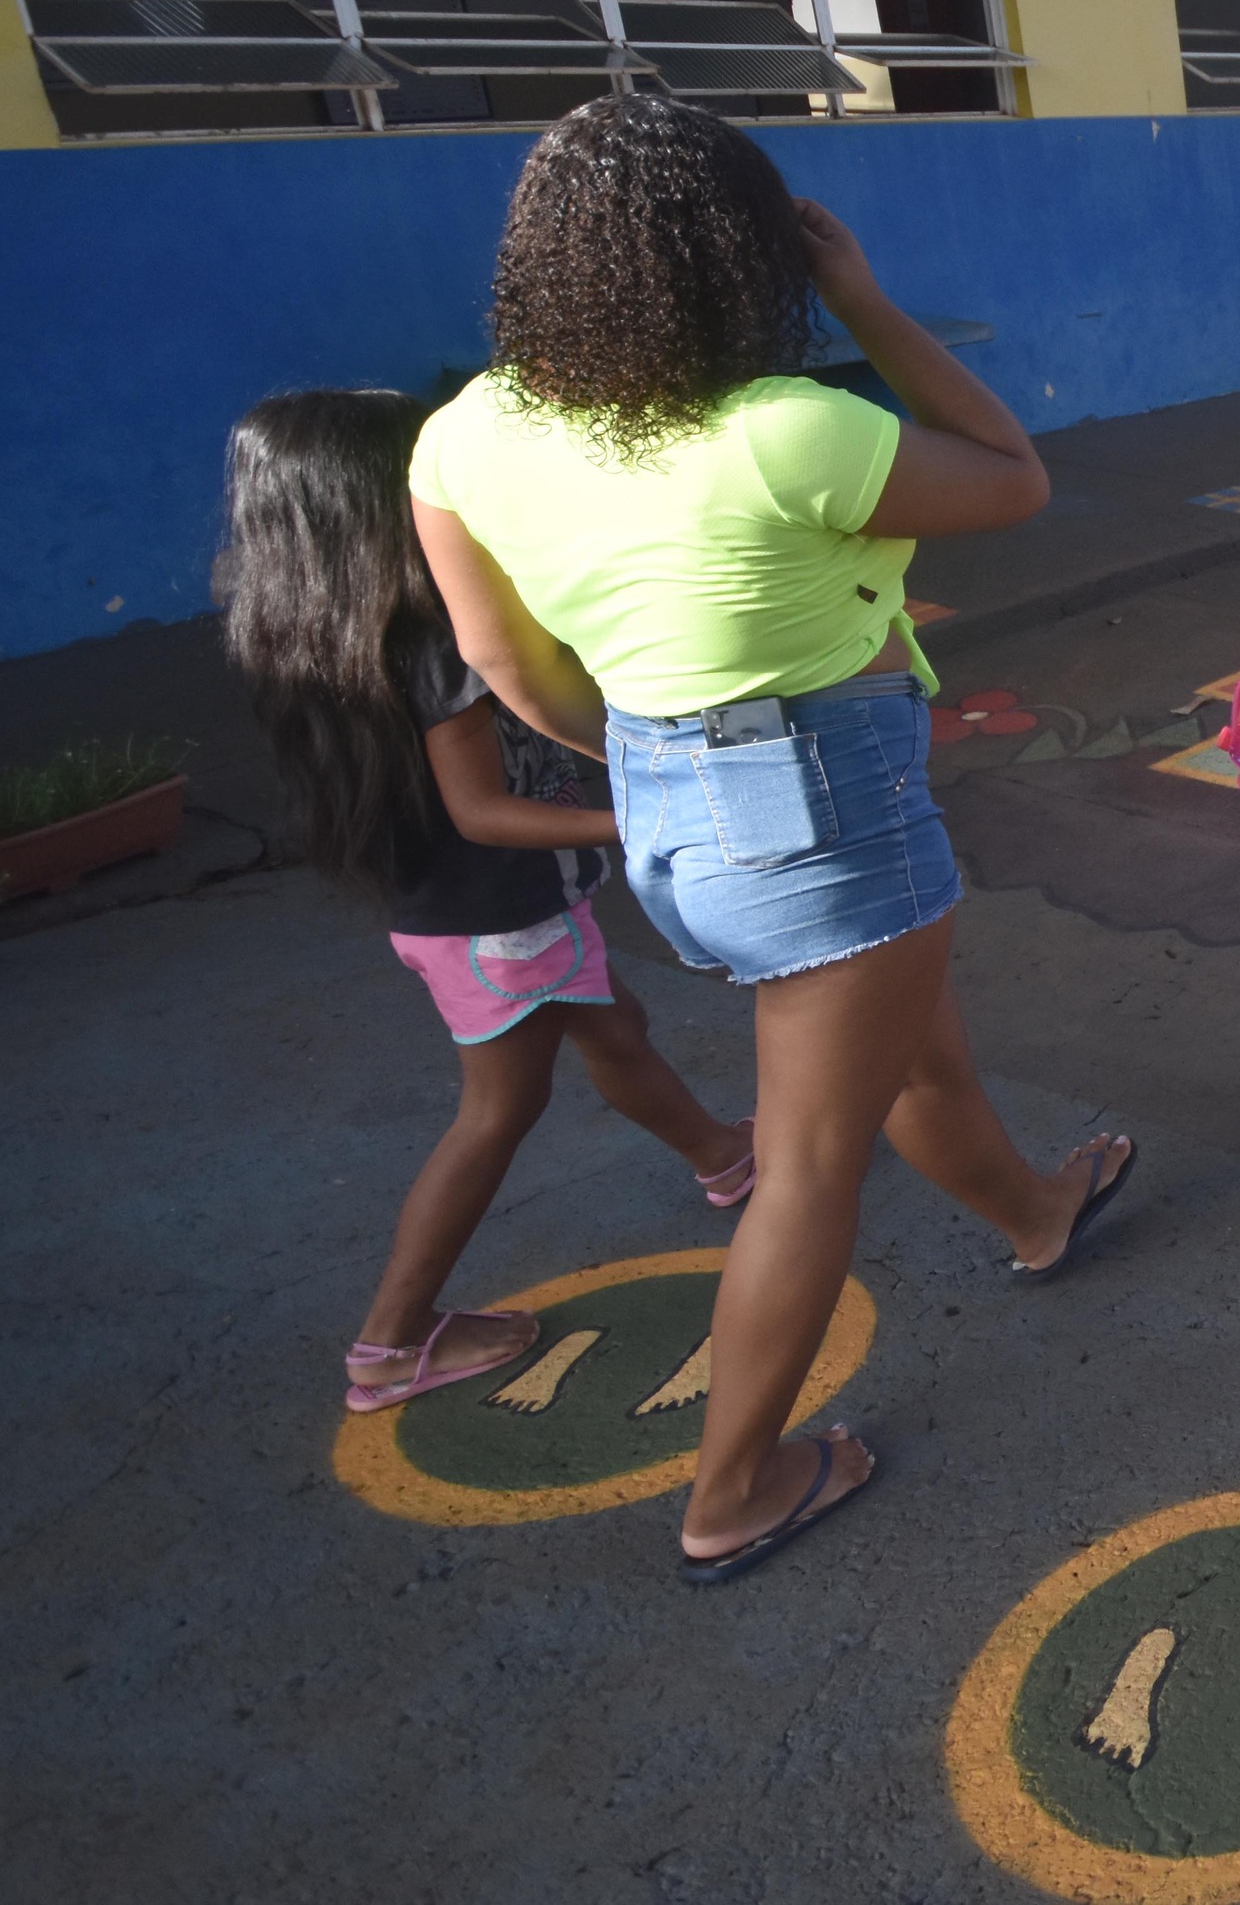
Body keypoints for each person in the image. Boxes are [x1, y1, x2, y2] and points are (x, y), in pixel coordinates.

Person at [409, 95, 1132, 1583]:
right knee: (807, 1159)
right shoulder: (787, 432)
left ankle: (1042, 1209)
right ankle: (730, 1489)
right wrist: (864, 298)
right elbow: (1010, 469)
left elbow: (514, 671)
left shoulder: (467, 435)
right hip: (823, 801)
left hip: (672, 802)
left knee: (908, 1050)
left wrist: (646, 739)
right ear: (742, 260)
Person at [224, 388, 756, 1418]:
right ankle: (391, 1340)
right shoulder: (433, 643)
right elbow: (484, 810)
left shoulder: (312, 628)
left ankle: (723, 1157)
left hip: (451, 913)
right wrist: (644, 815)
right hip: (498, 912)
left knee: (617, 1030)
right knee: (499, 1109)